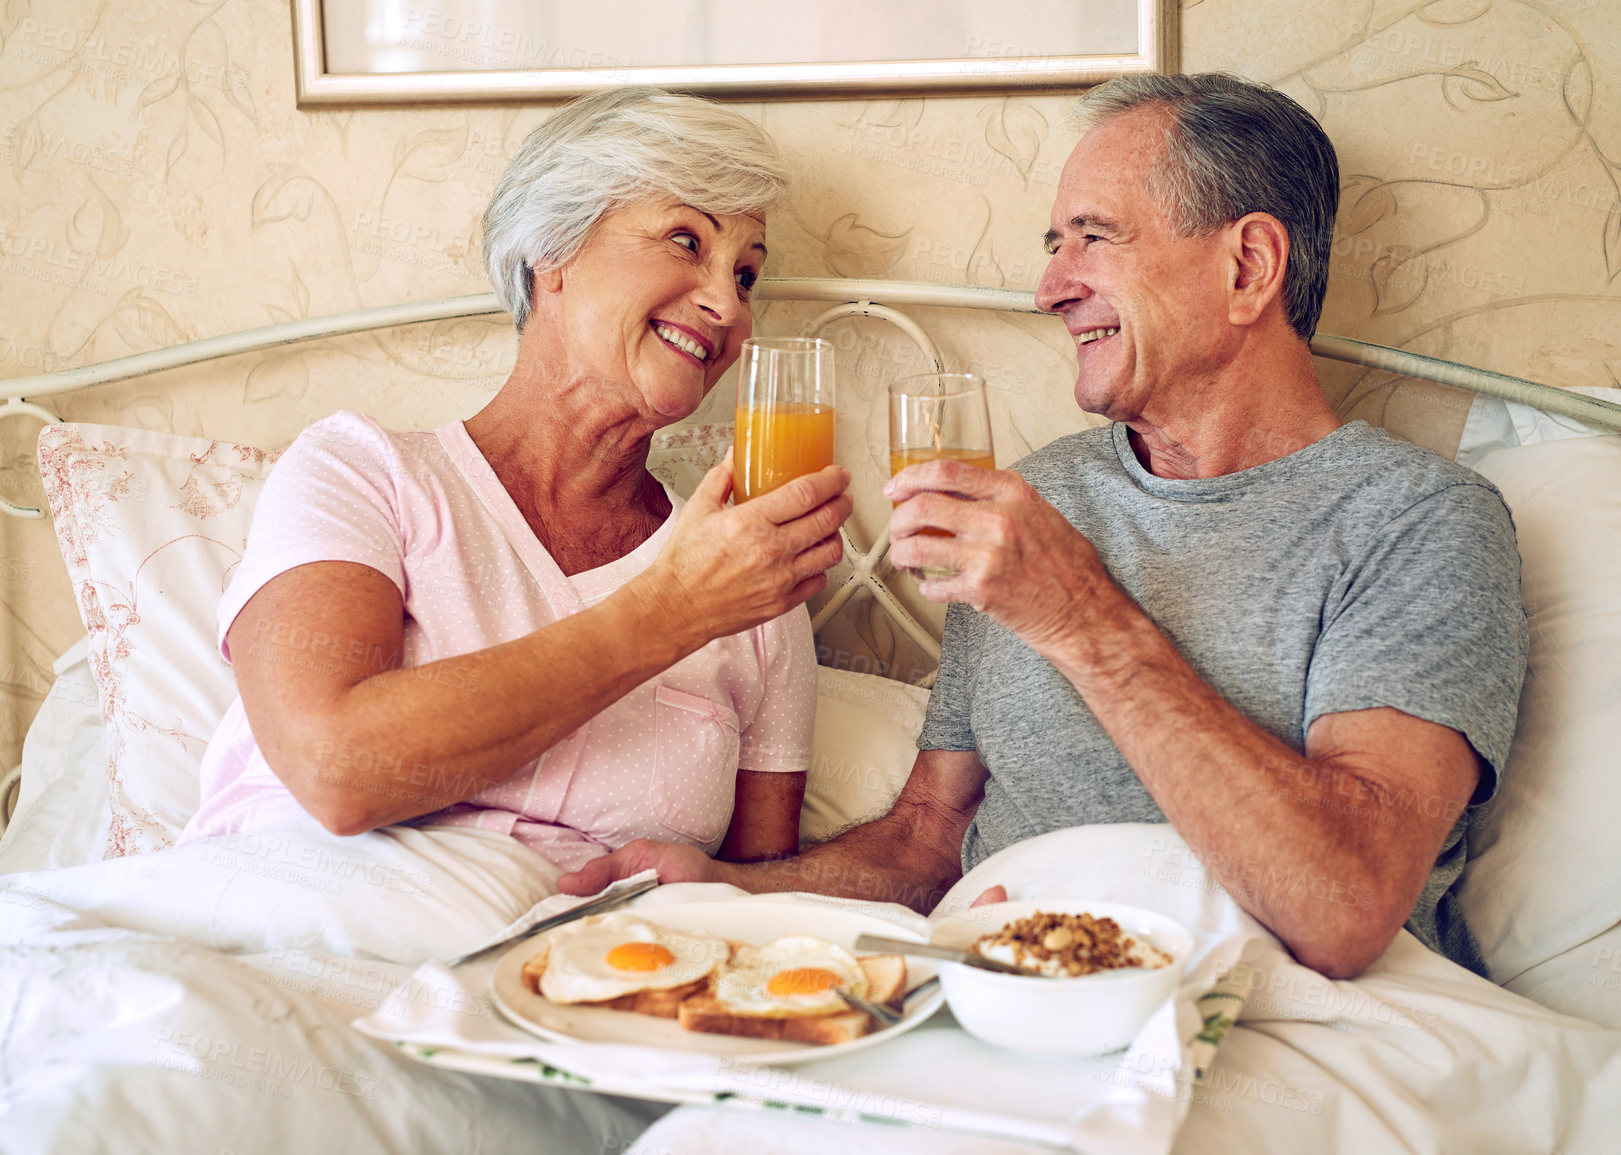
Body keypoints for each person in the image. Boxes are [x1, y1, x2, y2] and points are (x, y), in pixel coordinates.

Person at [560, 72, 1528, 982]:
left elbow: (1348, 904)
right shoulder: (1031, 502)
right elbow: (928, 840)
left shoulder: (1419, 524)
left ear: (1248, 267)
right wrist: (728, 895)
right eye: (1052, 243)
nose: (1049, 287)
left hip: (1284, 1024)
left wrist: (1080, 617)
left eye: (1093, 239)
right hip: (1005, 991)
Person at [177, 87, 853, 873]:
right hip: (280, 926)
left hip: (552, 981)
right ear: (553, 251)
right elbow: (337, 773)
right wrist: (673, 609)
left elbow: (765, 902)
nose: (724, 304)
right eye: (683, 240)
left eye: (746, 276)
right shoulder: (360, 472)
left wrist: (711, 891)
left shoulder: (752, 579)